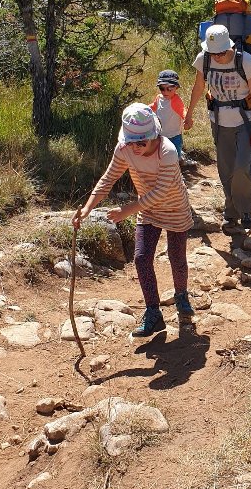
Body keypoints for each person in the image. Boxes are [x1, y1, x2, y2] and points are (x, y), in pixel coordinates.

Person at [72, 102, 194, 339]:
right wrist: (87, 209)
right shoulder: (124, 149)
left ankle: (181, 295)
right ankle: (153, 312)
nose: (136, 147)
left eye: (141, 141)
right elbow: (108, 179)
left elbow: (160, 192)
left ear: (153, 136)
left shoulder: (167, 151)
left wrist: (126, 210)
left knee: (176, 256)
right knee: (141, 258)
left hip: (174, 207)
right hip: (147, 209)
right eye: (131, 141)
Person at [183, 23, 251, 232]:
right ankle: (231, 213)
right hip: (218, 121)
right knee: (226, 169)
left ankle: (245, 209)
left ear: (229, 46)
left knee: (242, 167)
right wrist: (189, 114)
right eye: (213, 52)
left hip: (245, 120)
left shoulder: (245, 60)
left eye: (220, 52)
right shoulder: (204, 59)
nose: (217, 56)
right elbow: (199, 87)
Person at [147, 69, 186, 159]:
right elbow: (154, 106)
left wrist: (187, 119)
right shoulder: (159, 98)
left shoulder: (176, 100)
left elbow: (183, 110)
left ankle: (176, 168)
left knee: (175, 156)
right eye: (162, 88)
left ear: (176, 87)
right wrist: (144, 108)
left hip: (174, 135)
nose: (165, 92)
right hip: (160, 135)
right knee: (161, 155)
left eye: (169, 89)